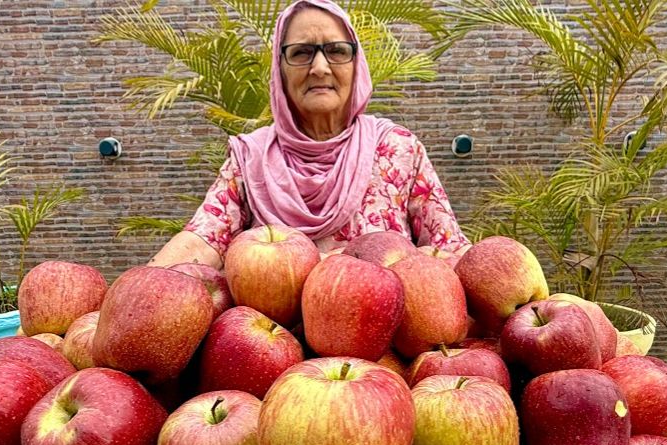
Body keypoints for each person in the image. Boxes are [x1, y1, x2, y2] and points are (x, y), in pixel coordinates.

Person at [148, 0, 470, 269]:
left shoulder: (398, 149)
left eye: (336, 50)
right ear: (280, 69)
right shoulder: (251, 159)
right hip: (274, 342)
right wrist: (137, 293)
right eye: (301, 53)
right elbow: (202, 241)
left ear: (356, 64)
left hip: (383, 342)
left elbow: (449, 250)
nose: (319, 67)